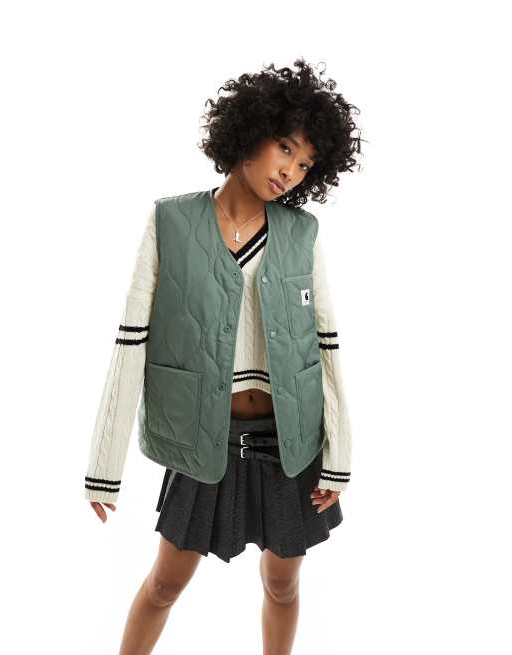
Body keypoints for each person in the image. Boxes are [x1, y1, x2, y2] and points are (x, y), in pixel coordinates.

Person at [84, 58, 362, 655]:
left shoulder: (302, 232)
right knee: (165, 582)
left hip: (290, 442)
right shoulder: (170, 221)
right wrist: (105, 466)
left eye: (305, 163)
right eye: (284, 147)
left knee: (283, 584)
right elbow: (131, 341)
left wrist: (338, 458)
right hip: (201, 437)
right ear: (249, 131)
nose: (290, 171)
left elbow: (327, 346)